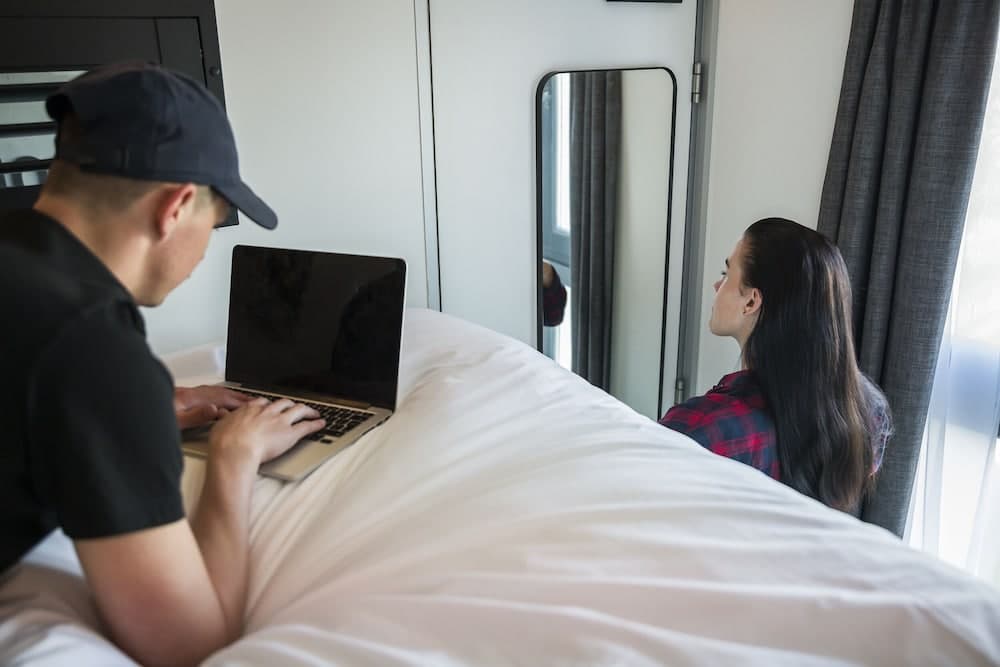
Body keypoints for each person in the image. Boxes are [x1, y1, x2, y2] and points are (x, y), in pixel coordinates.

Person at [0, 63, 327, 667]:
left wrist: (138, 416)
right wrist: (235, 457)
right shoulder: (92, 347)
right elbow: (187, 644)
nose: (203, 252)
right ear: (175, 208)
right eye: (216, 221)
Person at [660, 218, 891, 513]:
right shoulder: (869, 410)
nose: (717, 285)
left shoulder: (702, 428)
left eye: (726, 274)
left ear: (751, 302)